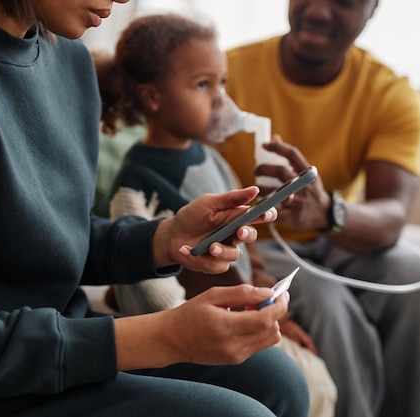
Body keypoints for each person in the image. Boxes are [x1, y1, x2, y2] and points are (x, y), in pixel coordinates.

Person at [0, 1, 310, 416]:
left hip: (45, 340)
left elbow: (34, 234)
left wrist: (162, 239)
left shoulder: (68, 60)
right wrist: (164, 337)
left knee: (279, 380)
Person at [94, 14, 336, 417]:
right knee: (305, 385)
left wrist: (271, 309)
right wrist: (223, 326)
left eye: (222, 84)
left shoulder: (213, 160)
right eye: (203, 85)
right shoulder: (134, 188)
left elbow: (249, 254)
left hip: (241, 317)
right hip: (188, 338)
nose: (221, 101)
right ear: (153, 98)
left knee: (319, 381)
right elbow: (151, 300)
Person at [217, 1, 420, 417]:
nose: (320, 11)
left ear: (373, 8)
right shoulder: (224, 75)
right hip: (255, 244)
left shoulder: (390, 93)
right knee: (327, 300)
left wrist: (326, 212)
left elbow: (392, 214)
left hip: (339, 236)